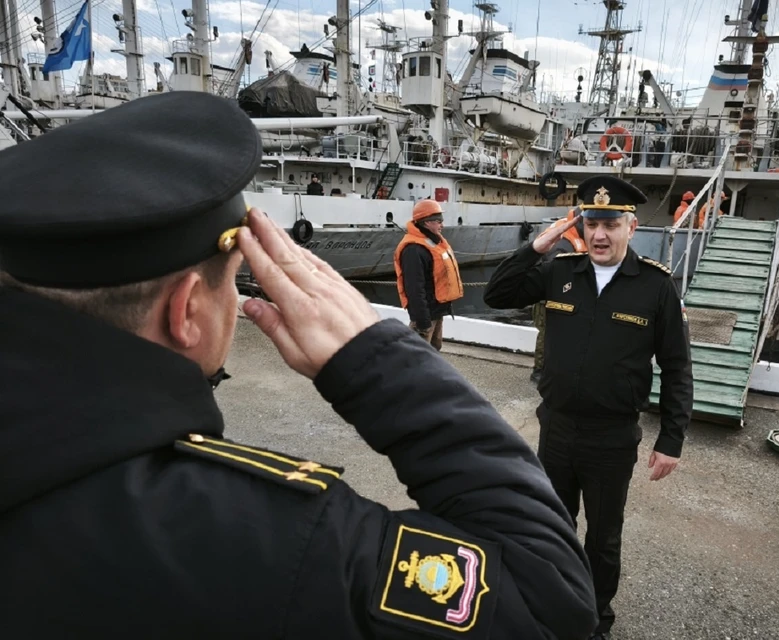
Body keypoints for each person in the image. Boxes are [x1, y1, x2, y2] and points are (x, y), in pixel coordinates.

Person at [0, 92, 598, 638]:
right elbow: (548, 602)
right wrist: (379, 356)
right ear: (186, 311)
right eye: (231, 285)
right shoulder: (270, 542)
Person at [483, 176, 694, 640]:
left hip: (611, 438)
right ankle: (551, 605)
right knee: (551, 528)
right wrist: (537, 246)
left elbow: (677, 368)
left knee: (602, 539)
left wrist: (671, 439)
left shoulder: (655, 286)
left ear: (631, 227)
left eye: (610, 223)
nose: (600, 234)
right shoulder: (561, 270)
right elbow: (496, 295)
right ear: (581, 224)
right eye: (591, 222)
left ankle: (594, 619)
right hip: (556, 430)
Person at [393, 198, 464, 350]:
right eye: (439, 221)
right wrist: (423, 321)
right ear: (426, 222)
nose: (442, 225)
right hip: (425, 317)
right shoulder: (413, 250)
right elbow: (414, 289)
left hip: (436, 312)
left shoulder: (432, 243)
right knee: (416, 359)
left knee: (433, 353)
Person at [531, 208, 588, 382]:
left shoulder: (571, 238)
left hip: (561, 296)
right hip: (546, 299)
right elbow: (553, 272)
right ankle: (539, 370)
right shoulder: (563, 244)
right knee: (546, 334)